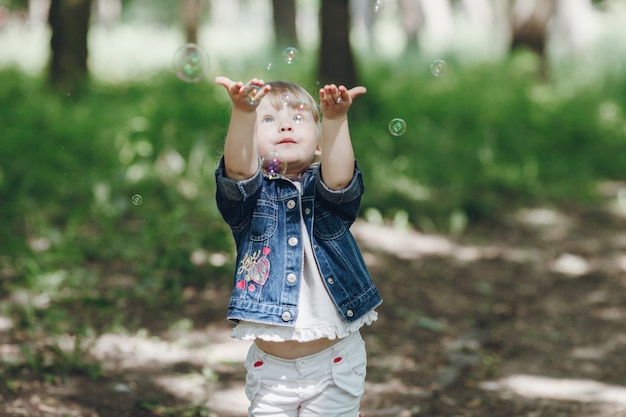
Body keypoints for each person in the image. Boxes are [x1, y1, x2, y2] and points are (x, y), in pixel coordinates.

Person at [214, 75, 382, 417]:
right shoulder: (251, 199)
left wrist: (335, 120)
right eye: (269, 119)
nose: (285, 126)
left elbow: (339, 178)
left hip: (334, 364)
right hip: (272, 374)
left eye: (299, 117)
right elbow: (238, 170)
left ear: (318, 144)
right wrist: (243, 113)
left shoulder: (326, 194)